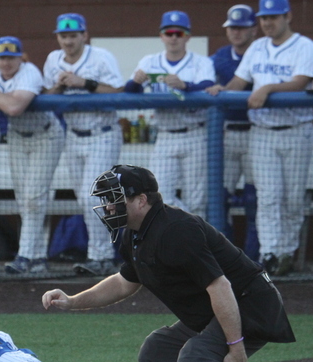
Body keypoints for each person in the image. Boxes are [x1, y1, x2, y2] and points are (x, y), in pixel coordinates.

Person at [42, 164, 295, 362]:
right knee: (158, 351)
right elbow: (123, 283)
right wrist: (72, 301)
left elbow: (220, 286)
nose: (108, 207)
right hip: (220, 307)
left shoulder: (176, 230)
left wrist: (236, 346)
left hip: (250, 304)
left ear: (141, 200)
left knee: (195, 357)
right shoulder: (136, 233)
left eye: (114, 198)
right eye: (106, 199)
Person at [207, 0, 313, 277]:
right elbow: (239, 82)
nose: (268, 23)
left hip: (297, 130)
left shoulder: (305, 46)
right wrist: (222, 89)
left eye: (273, 17)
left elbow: (301, 82)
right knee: (268, 197)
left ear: (288, 16)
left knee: (292, 199)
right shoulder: (257, 47)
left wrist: (266, 88)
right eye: (264, 18)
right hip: (263, 131)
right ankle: (270, 253)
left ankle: (286, 251)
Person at [0, 36, 64, 275]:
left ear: (21, 58)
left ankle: (25, 256)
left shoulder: (29, 71)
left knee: (34, 196)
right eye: (2, 58)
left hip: (45, 135)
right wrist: (4, 97)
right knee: (24, 198)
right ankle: (39, 257)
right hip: (17, 137)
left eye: (11, 58)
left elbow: (14, 108)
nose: (6, 63)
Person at [43, 13, 124, 277]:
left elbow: (118, 92)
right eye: (63, 36)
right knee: (84, 198)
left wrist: (85, 83)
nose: (68, 41)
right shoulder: (53, 60)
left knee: (94, 196)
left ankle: (100, 256)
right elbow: (46, 96)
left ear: (84, 35)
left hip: (102, 133)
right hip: (73, 135)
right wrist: (58, 86)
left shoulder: (101, 57)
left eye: (73, 35)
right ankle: (103, 254)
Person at [124, 11, 215, 219]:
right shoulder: (150, 61)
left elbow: (208, 85)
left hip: (195, 134)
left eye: (179, 33)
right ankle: (186, 225)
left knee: (197, 199)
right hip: (165, 134)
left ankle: (193, 235)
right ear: (161, 36)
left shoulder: (200, 62)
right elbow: (129, 91)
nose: (174, 37)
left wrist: (186, 85)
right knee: (159, 197)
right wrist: (135, 82)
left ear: (188, 36)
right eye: (169, 33)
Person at [206, 4, 259, 261]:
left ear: (253, 30)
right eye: (232, 28)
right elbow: (205, 82)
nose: (236, 32)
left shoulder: (261, 54)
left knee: (254, 198)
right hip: (226, 131)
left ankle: (254, 256)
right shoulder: (220, 57)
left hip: (257, 132)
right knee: (221, 196)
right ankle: (225, 257)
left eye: (242, 28)